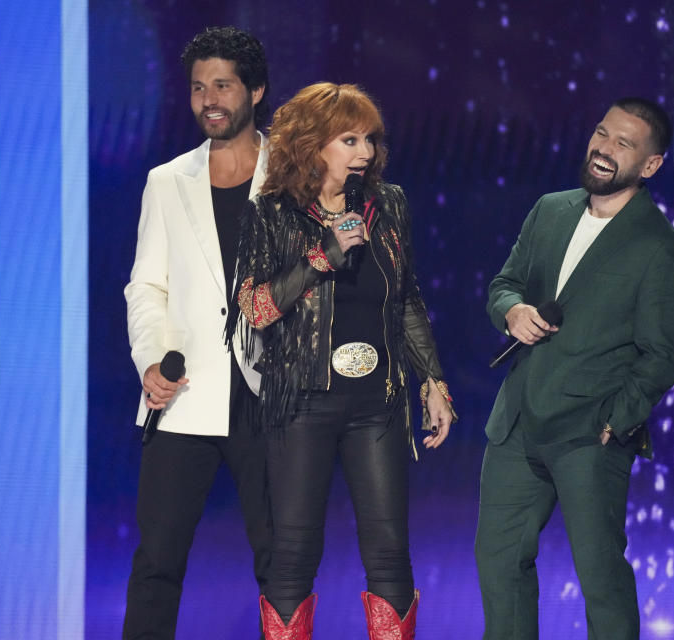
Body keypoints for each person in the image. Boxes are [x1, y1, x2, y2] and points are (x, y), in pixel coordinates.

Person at [226, 82, 457, 640]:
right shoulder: (270, 213)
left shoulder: (389, 205)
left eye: (370, 141)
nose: (365, 153)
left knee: (389, 553)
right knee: (294, 554)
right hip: (300, 403)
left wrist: (433, 383)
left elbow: (406, 300)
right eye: (349, 139)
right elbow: (253, 309)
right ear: (312, 145)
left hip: (376, 404)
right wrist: (321, 256)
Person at [474, 98, 674, 639]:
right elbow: (504, 285)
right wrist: (512, 311)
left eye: (624, 143)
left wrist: (615, 420)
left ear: (650, 165)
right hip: (517, 425)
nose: (603, 148)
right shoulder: (551, 209)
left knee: (601, 582)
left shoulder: (658, 248)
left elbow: (661, 354)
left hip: (589, 436)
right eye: (601, 133)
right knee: (499, 565)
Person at [122, 27, 273, 639]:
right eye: (197, 87)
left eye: (223, 85)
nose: (209, 99)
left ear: (255, 90)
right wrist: (153, 360)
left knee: (282, 563)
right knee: (157, 561)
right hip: (182, 396)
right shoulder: (166, 180)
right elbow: (146, 287)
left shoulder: (292, 172)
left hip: (270, 398)